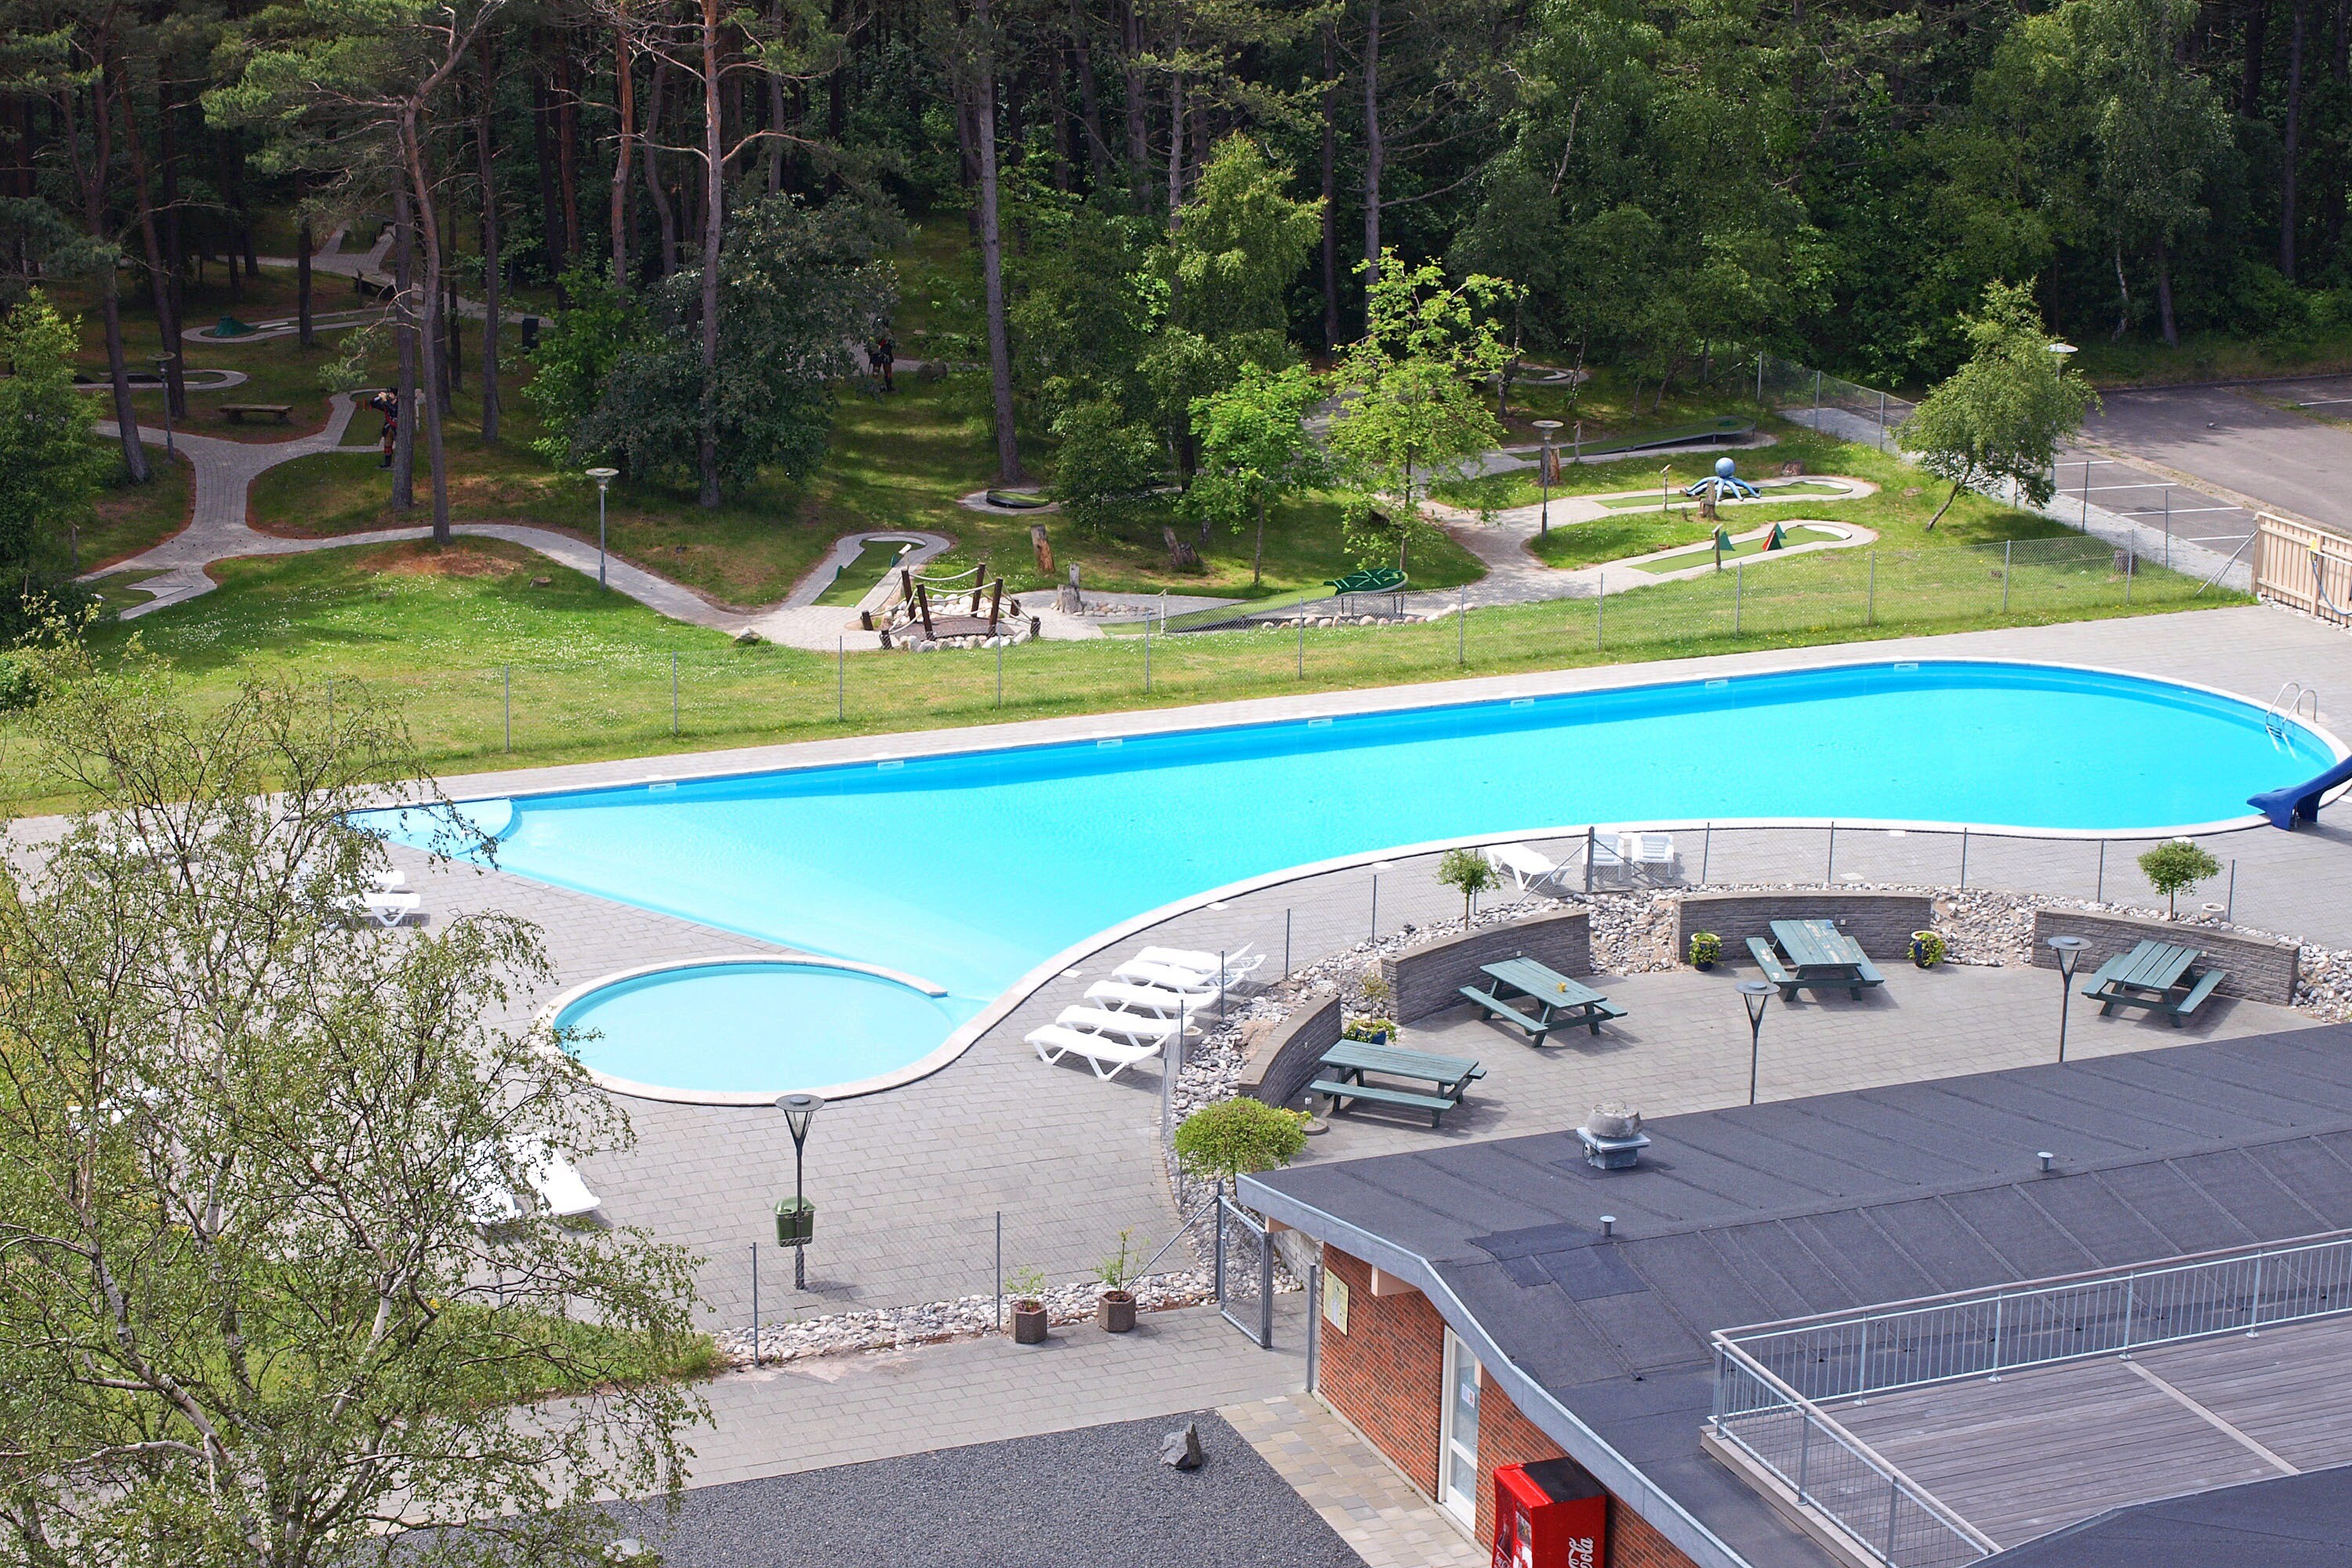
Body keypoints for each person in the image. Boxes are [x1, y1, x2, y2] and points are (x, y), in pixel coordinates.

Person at [369, 389, 400, 469]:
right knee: (387, 446)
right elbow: (373, 404)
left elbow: (394, 410)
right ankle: (387, 464)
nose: (389, 395)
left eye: (391, 394)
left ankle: (400, 464)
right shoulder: (387, 404)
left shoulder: (399, 404)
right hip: (389, 428)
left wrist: (385, 401)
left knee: (400, 447)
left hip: (398, 428)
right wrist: (378, 398)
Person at [874, 328, 896, 394]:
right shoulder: (877, 329)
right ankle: (874, 385)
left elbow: (891, 341)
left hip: (886, 351)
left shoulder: (888, 332)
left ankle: (889, 386)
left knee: (888, 370)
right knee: (876, 369)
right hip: (878, 352)